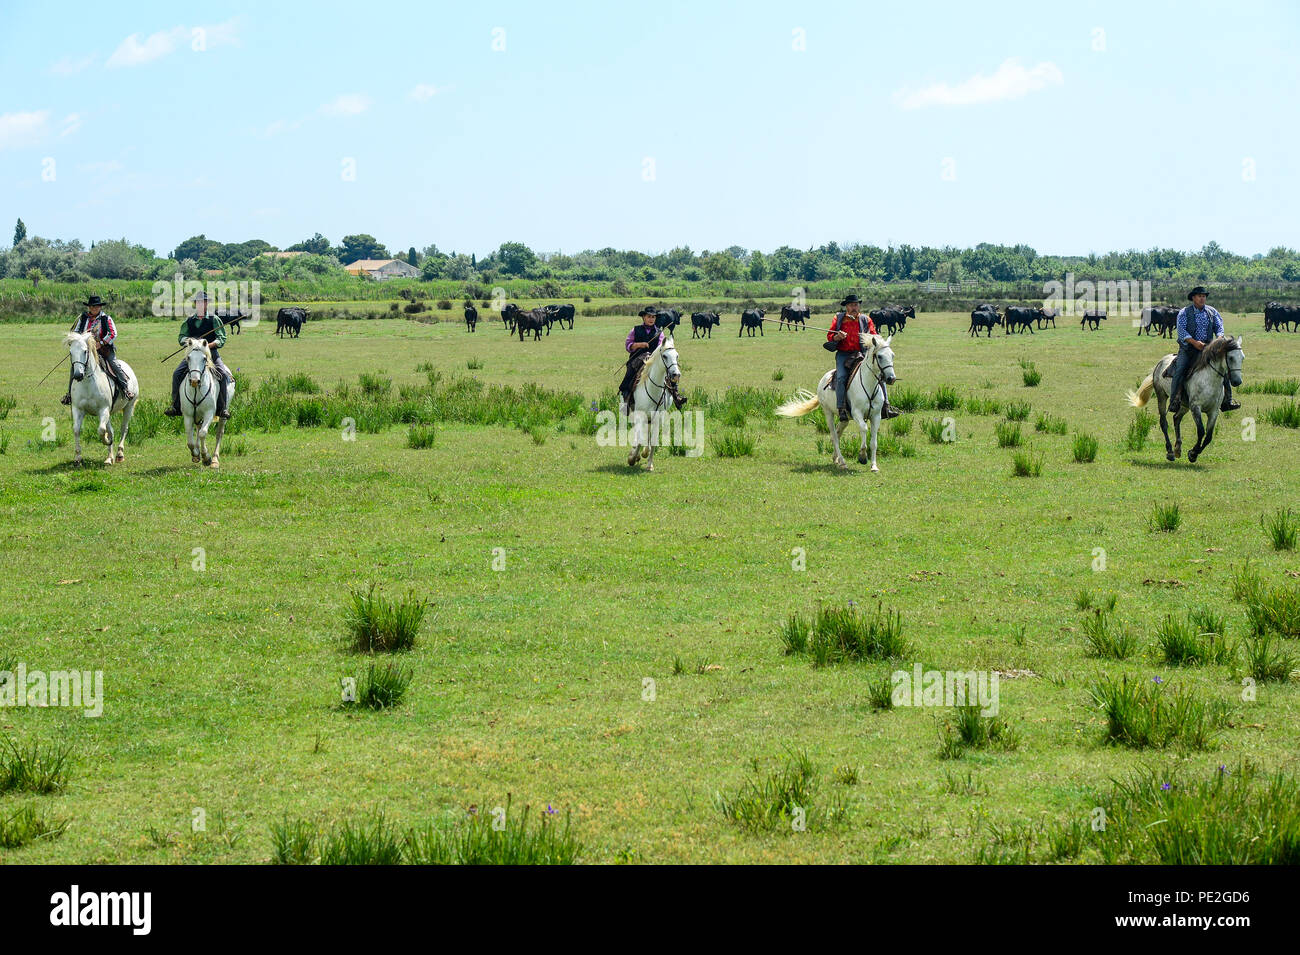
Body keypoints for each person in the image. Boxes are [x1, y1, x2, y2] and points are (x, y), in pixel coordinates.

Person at [827, 294, 899, 421]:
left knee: (879, 374)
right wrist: (837, 337)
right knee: (841, 377)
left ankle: (885, 407)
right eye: (851, 305)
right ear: (846, 307)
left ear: (859, 306)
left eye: (856, 305)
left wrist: (877, 340)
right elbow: (830, 335)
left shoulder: (865, 319)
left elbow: (874, 334)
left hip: (862, 353)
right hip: (844, 354)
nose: (854, 307)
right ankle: (841, 408)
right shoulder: (838, 318)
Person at [1168, 286, 1239, 414]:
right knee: (1180, 370)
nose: (1202, 298)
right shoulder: (1184, 312)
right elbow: (1181, 331)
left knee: (1223, 368)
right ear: (1193, 298)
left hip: (1209, 348)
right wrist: (1194, 343)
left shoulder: (1212, 311)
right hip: (1188, 349)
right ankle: (1174, 401)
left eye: (1204, 296)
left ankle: (1227, 400)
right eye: (1199, 296)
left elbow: (1219, 327)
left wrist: (1219, 338)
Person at [164, 290, 231, 418]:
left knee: (222, 373)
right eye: (198, 302)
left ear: (207, 304)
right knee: (177, 374)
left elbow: (221, 338)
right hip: (193, 355)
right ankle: (176, 406)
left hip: (210, 355)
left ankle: (223, 408)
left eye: (203, 302)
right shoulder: (189, 321)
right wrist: (190, 342)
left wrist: (209, 345)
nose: (201, 304)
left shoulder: (214, 319)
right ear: (195, 304)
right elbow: (181, 337)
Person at [62, 295, 134, 404]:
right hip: (86, 350)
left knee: (113, 364)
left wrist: (101, 343)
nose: (94, 308)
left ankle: (125, 388)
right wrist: (77, 342)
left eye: (96, 306)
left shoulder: (106, 318)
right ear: (89, 307)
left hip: (104, 350)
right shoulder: (83, 318)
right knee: (75, 367)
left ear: (100, 307)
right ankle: (69, 395)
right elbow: (75, 333)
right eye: (92, 306)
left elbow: (113, 333)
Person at [620, 306, 685, 410]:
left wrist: (653, 354)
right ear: (643, 318)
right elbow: (628, 345)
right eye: (649, 317)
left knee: (670, 370)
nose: (651, 319)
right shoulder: (635, 330)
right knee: (631, 372)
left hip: (654, 359)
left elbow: (661, 347)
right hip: (637, 358)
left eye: (653, 317)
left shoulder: (659, 333)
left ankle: (676, 394)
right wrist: (639, 345)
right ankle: (626, 396)